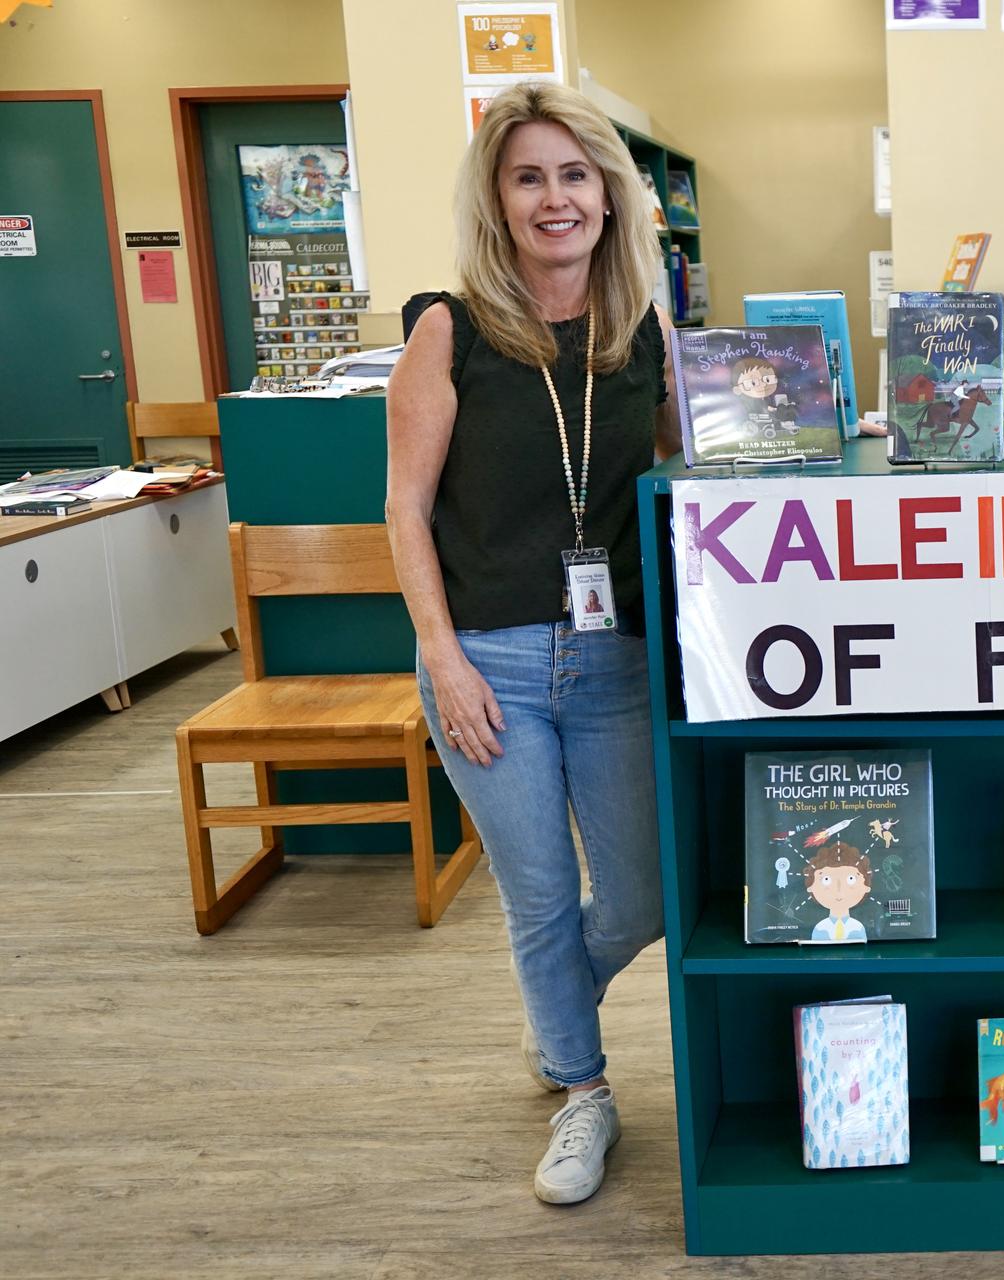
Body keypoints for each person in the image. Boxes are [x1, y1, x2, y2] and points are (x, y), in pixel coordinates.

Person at [385, 80, 680, 1207]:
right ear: (498, 201)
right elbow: (405, 509)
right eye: (527, 177)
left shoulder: (641, 333)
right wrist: (442, 656)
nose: (554, 197)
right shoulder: (446, 329)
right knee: (542, 895)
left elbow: (681, 470)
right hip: (489, 661)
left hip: (617, 658)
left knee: (644, 895)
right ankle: (584, 1090)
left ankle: (553, 1010)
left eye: (573, 172)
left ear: (607, 193)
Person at [804, 843, 872, 943]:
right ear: (811, 887)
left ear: (866, 887)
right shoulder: (820, 929)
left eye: (851, 879)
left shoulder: (858, 928)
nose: (838, 889)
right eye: (826, 879)